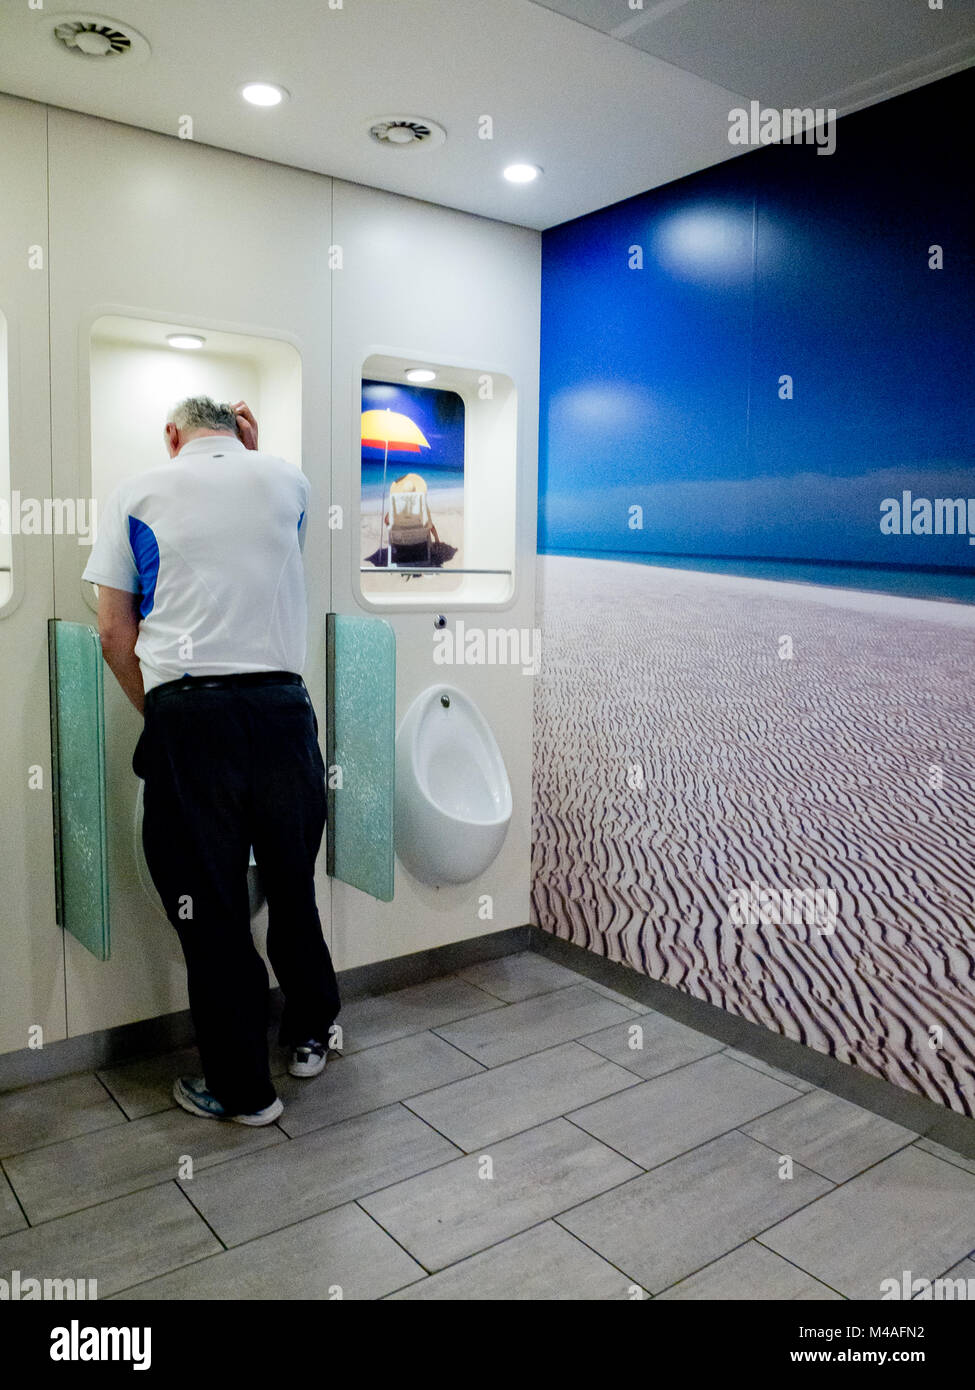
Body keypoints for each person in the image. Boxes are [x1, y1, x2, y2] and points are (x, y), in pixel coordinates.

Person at [82, 395, 339, 1126]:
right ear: (237, 431)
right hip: (285, 715)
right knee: (292, 886)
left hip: (192, 718)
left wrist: (160, 713)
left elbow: (110, 631)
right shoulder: (287, 480)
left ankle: (242, 1091)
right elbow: (261, 537)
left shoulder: (137, 491)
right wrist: (256, 450)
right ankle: (311, 1033)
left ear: (171, 435)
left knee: (213, 910)